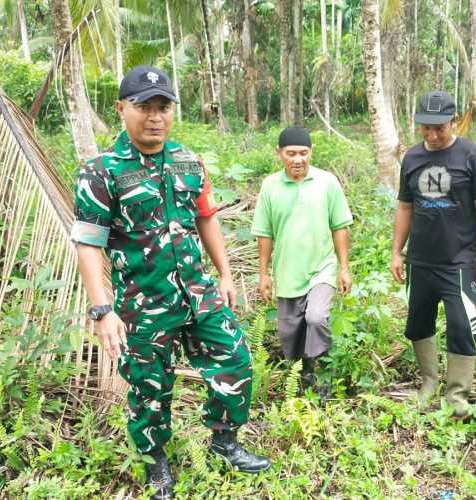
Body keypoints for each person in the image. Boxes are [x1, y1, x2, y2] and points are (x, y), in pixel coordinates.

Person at [71, 66, 270, 500]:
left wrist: (225, 273)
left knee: (235, 360)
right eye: (144, 106)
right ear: (122, 109)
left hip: (199, 295)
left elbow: (205, 217)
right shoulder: (101, 172)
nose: (155, 116)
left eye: (163, 106)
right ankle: (156, 462)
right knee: (149, 389)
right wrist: (102, 311)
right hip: (142, 307)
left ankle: (224, 441)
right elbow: (88, 245)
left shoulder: (187, 160)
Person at [390, 90, 476, 420]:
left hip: (459, 261)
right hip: (421, 260)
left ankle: (457, 396)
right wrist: (397, 252)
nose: (433, 135)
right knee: (418, 322)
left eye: (440, 128)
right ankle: (428, 383)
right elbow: (405, 207)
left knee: (463, 325)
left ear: (454, 122)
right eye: (425, 128)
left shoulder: (473, 157)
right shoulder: (411, 158)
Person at [251, 126, 353, 395]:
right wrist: (264, 274)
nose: (298, 159)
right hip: (287, 272)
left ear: (311, 153)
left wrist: (344, 268)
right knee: (290, 332)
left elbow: (340, 226)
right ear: (279, 154)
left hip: (322, 268)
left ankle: (319, 376)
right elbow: (264, 233)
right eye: (291, 153)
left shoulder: (327, 182)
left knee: (316, 317)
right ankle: (301, 379)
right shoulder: (270, 186)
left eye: (303, 153)